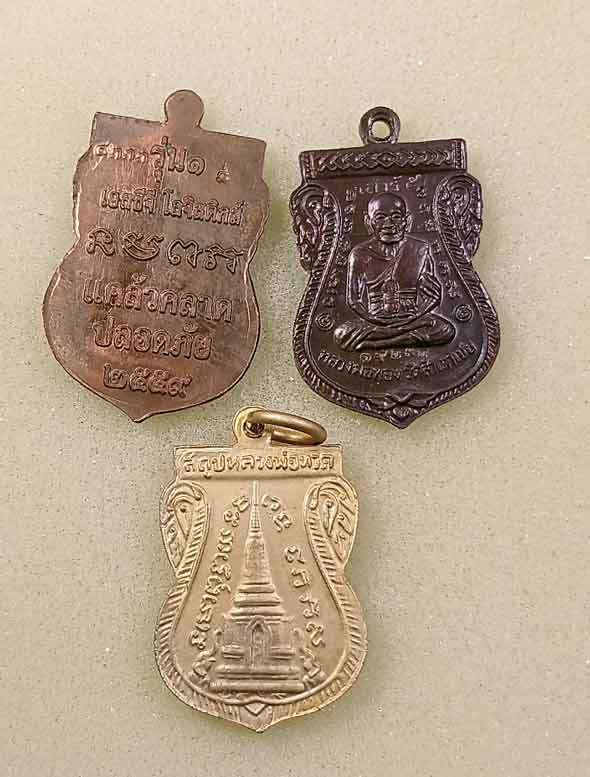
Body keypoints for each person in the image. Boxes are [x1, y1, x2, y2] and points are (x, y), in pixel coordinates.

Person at [334, 193, 455, 351]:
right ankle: (401, 338)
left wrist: (429, 303)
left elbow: (430, 296)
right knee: (341, 333)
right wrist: (376, 320)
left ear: (407, 220)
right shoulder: (360, 254)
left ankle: (378, 343)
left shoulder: (419, 249)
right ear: (368, 222)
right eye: (380, 218)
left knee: (445, 329)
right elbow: (354, 300)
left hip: (411, 318)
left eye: (396, 217)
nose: (388, 224)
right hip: (375, 320)